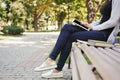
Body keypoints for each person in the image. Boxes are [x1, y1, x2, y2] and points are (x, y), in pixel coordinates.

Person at [34, 0, 120, 78]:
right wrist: (90, 25)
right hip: (99, 30)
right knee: (67, 27)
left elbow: (113, 21)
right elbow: (102, 20)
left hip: (105, 35)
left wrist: (94, 28)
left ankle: (55, 66)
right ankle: (53, 64)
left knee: (70, 34)